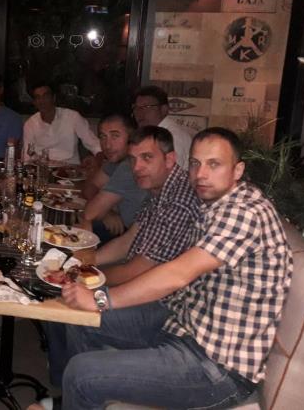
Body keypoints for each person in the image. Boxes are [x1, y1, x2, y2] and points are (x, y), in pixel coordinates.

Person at [40, 127, 292, 410]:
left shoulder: (244, 212)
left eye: (214, 164)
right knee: (79, 321)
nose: (200, 174)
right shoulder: (215, 205)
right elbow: (134, 243)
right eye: (195, 163)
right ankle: (76, 400)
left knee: (82, 373)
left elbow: (177, 273)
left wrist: (101, 299)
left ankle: (75, 396)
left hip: (217, 368)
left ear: (238, 170)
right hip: (182, 328)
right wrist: (80, 269)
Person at [44, 126, 200, 386]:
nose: (137, 167)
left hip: (166, 306)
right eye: (133, 159)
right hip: (145, 285)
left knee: (76, 314)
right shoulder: (160, 190)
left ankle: (74, 389)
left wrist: (79, 275)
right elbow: (128, 241)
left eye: (147, 158)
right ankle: (64, 384)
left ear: (170, 159)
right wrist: (81, 262)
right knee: (60, 297)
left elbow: (136, 271)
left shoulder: (178, 201)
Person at [80, 113, 148, 242]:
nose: (107, 145)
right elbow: (90, 187)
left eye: (115, 136)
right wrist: (107, 211)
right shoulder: (116, 160)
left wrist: (101, 209)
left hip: (138, 241)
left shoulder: (130, 166)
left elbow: (90, 213)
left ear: (132, 138)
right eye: (103, 137)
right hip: (126, 233)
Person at [21, 83, 100, 164]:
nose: (42, 101)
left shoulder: (72, 117)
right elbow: (27, 155)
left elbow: (94, 144)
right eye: (38, 97)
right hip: (42, 168)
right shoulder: (30, 124)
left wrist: (99, 160)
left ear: (53, 98)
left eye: (46, 96)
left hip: (70, 167)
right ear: (34, 102)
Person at [132, 85, 193, 169]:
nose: (139, 113)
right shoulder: (148, 135)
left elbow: (169, 172)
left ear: (164, 109)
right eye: (136, 108)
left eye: (146, 107)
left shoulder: (174, 136)